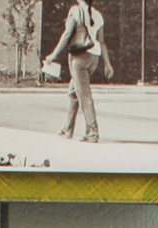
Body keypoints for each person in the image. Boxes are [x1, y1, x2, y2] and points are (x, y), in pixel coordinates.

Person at [46, 0, 110, 143]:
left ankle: (92, 133)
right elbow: (102, 42)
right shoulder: (98, 15)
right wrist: (107, 64)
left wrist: (53, 55)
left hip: (79, 57)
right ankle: (67, 129)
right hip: (94, 58)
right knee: (74, 92)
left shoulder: (75, 10)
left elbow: (67, 34)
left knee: (84, 94)